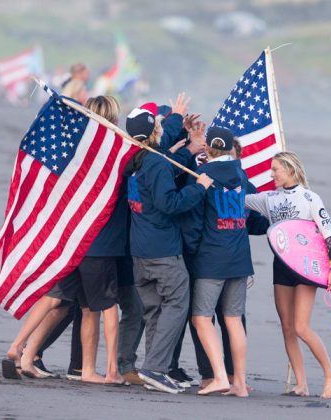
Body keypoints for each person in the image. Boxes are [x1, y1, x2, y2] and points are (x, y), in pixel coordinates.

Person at [3, 96, 128, 387]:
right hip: (99, 245)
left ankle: (21, 346)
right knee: (99, 308)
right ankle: (99, 370)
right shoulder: (114, 152)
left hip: (73, 242)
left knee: (56, 299)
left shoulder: (78, 149)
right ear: (113, 118)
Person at [126, 101, 213, 394]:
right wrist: (199, 187)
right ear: (154, 133)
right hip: (161, 251)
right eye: (160, 126)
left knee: (154, 311)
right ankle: (155, 368)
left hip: (139, 250)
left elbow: (166, 165)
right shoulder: (156, 161)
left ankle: (153, 368)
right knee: (177, 303)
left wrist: (185, 138)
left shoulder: (136, 159)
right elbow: (170, 203)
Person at [245, 151, 331, 399]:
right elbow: (239, 199)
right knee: (287, 327)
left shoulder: (310, 198)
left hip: (307, 268)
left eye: (275, 169)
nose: (271, 173)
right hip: (282, 267)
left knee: (300, 326)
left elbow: (329, 233)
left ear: (289, 169)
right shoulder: (269, 198)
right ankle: (301, 384)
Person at [184, 126, 254, 397]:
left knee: (201, 317)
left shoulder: (202, 175)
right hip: (239, 256)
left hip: (211, 257)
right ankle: (240, 382)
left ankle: (220, 377)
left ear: (207, 150)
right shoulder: (241, 174)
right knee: (233, 319)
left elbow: (194, 223)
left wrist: (190, 251)